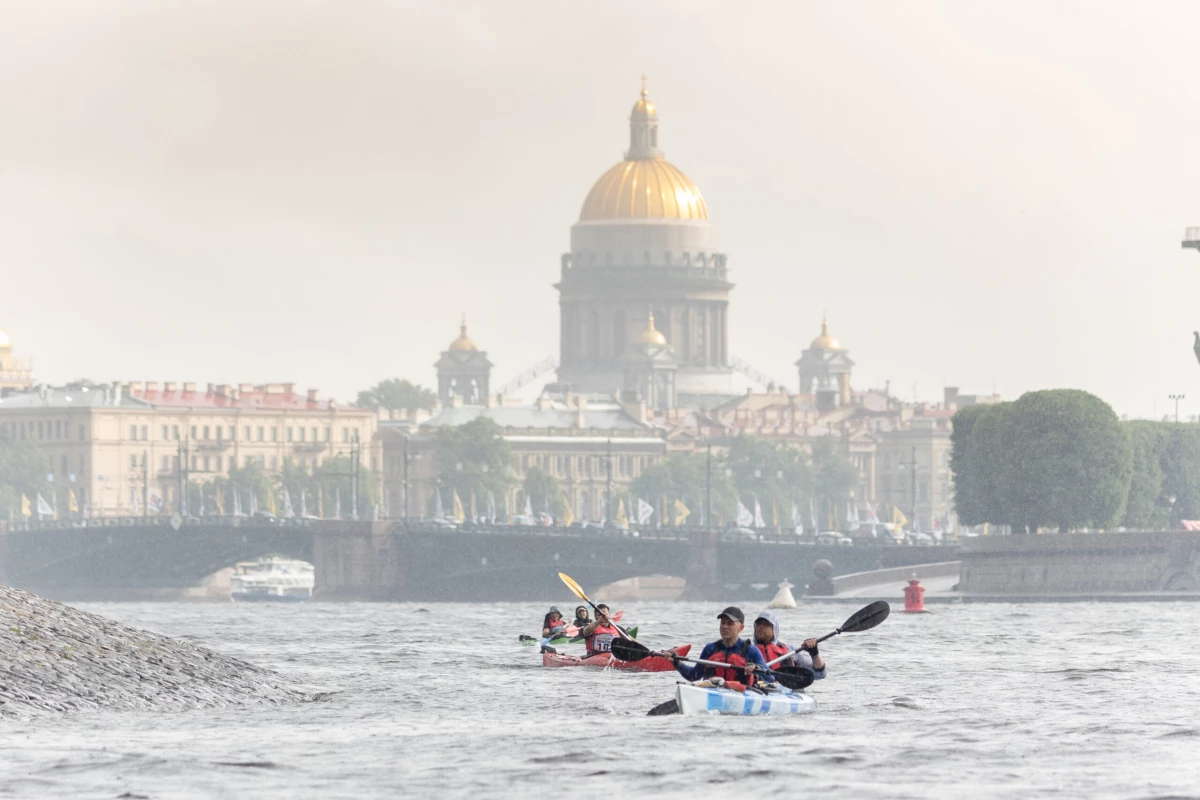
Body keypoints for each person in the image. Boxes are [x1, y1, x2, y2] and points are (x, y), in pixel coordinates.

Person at [670, 606, 770, 686]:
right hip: (713, 692)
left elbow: (770, 678)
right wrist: (677, 663)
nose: (725, 627)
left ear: (741, 627)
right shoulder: (710, 649)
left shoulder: (751, 651)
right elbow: (694, 676)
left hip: (741, 694)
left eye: (730, 623)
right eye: (723, 623)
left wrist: (757, 668)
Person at [752, 610, 826, 681]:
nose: (761, 627)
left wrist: (815, 653)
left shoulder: (790, 651)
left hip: (785, 690)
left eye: (766, 624)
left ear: (774, 629)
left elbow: (819, 674)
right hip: (756, 690)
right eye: (759, 624)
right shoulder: (747, 651)